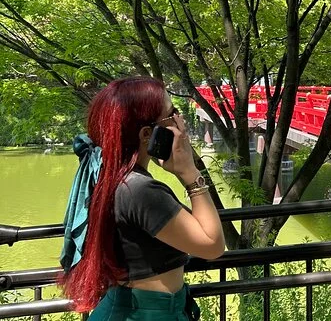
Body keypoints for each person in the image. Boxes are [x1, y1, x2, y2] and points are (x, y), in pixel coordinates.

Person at [59, 76, 225, 320]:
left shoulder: (111, 177)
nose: (180, 121)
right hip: (146, 313)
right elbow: (212, 245)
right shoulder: (140, 190)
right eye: (172, 114)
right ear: (148, 133)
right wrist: (190, 174)